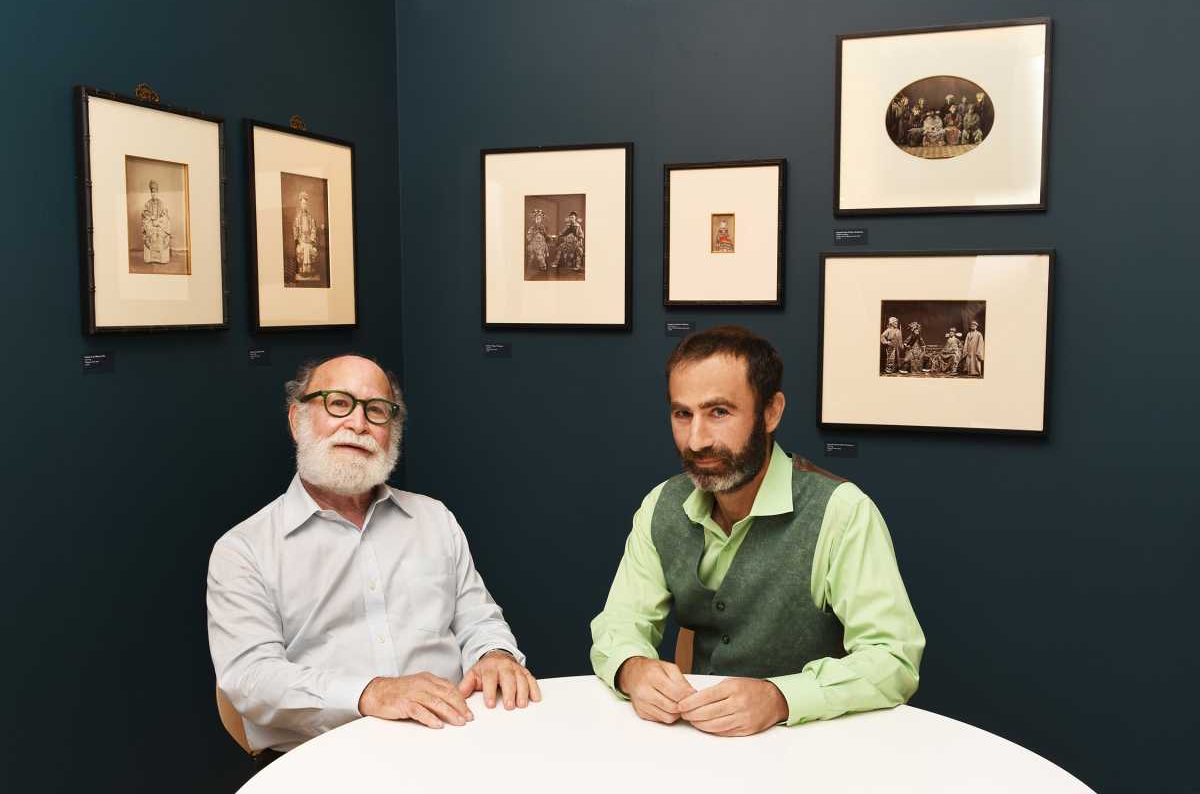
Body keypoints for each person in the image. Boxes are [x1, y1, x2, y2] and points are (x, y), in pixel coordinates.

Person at [590, 326, 924, 737]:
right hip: (699, 745)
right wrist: (631, 667)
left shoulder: (842, 511)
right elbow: (618, 623)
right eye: (683, 414)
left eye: (719, 412)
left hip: (814, 745)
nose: (696, 441)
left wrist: (780, 697)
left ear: (771, 412)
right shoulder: (660, 505)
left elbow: (893, 659)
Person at [207, 355, 540, 763]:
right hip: (322, 758)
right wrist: (369, 692)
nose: (358, 424)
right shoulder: (244, 549)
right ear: (297, 420)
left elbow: (477, 619)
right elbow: (251, 679)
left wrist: (494, 656)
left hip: (452, 740)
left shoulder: (434, 518)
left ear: (392, 432)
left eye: (376, 411)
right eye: (338, 404)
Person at [140, 180, 171, 264]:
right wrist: (151, 218)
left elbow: (165, 215)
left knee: (161, 232)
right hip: (151, 224)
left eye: (155, 192)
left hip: (159, 225)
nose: (154, 194)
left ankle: (162, 259)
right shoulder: (147, 203)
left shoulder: (161, 203)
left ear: (157, 193)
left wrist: (159, 221)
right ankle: (150, 259)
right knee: (150, 232)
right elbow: (144, 214)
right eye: (152, 193)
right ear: (150, 193)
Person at [293, 191, 319, 281]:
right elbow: (295, 228)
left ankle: (309, 271)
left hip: (309, 240)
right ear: (300, 204)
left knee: (310, 248)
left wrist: (312, 238)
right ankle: (302, 271)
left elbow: (313, 228)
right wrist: (298, 240)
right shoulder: (297, 218)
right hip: (301, 240)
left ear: (307, 205)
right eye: (302, 203)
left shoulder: (311, 217)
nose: (304, 205)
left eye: (305, 203)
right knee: (302, 248)